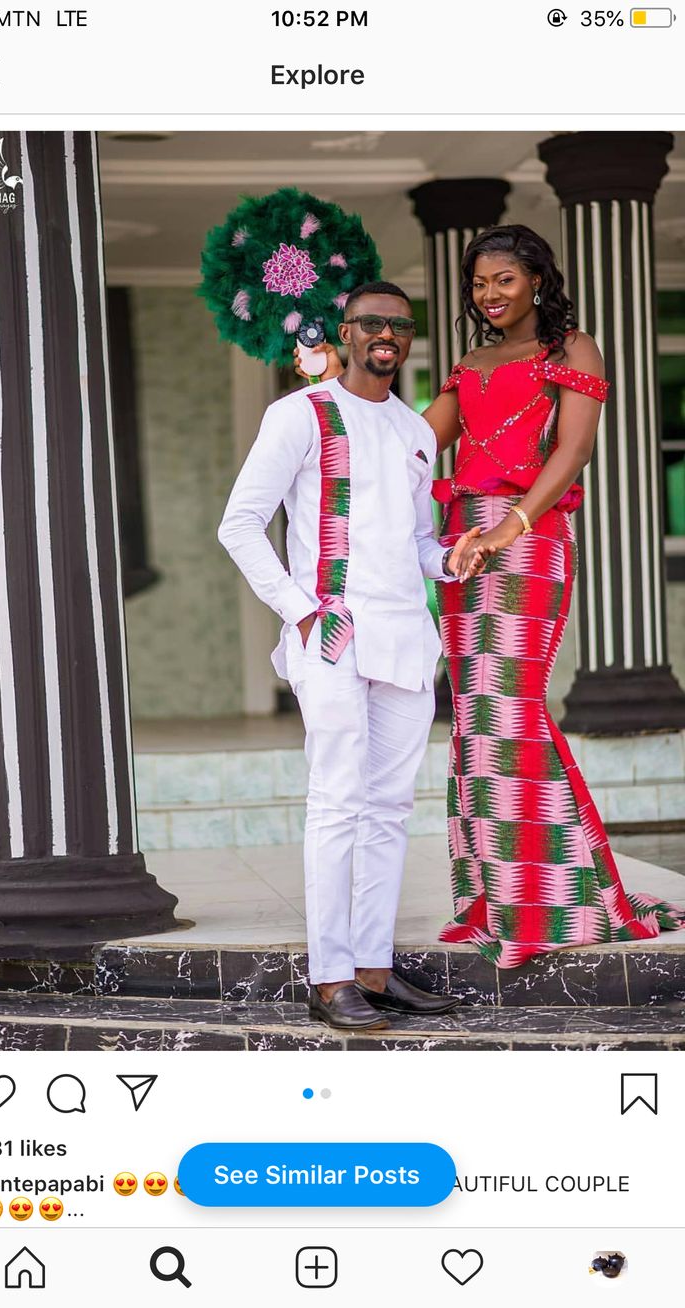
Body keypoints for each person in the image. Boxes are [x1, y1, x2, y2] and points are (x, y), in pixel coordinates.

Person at [218, 282, 482, 1030]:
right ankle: (330, 976)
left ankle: (373, 967)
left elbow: (415, 544)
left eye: (400, 325)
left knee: (390, 810)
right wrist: (300, 612)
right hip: (332, 635)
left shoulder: (416, 432)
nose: (387, 334)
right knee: (338, 803)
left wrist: (452, 560)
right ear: (345, 332)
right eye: (373, 323)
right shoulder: (299, 414)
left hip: (405, 637)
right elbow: (239, 525)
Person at [421, 223, 685, 967]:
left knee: (511, 710)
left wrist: (509, 526)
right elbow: (415, 445)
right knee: (477, 718)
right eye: (478, 282)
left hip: (527, 541)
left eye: (503, 278)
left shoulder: (572, 350)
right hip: (460, 548)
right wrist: (330, 391)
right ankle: (493, 900)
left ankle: (551, 908)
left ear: (537, 278)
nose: (489, 294)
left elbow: (573, 452)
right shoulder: (469, 362)